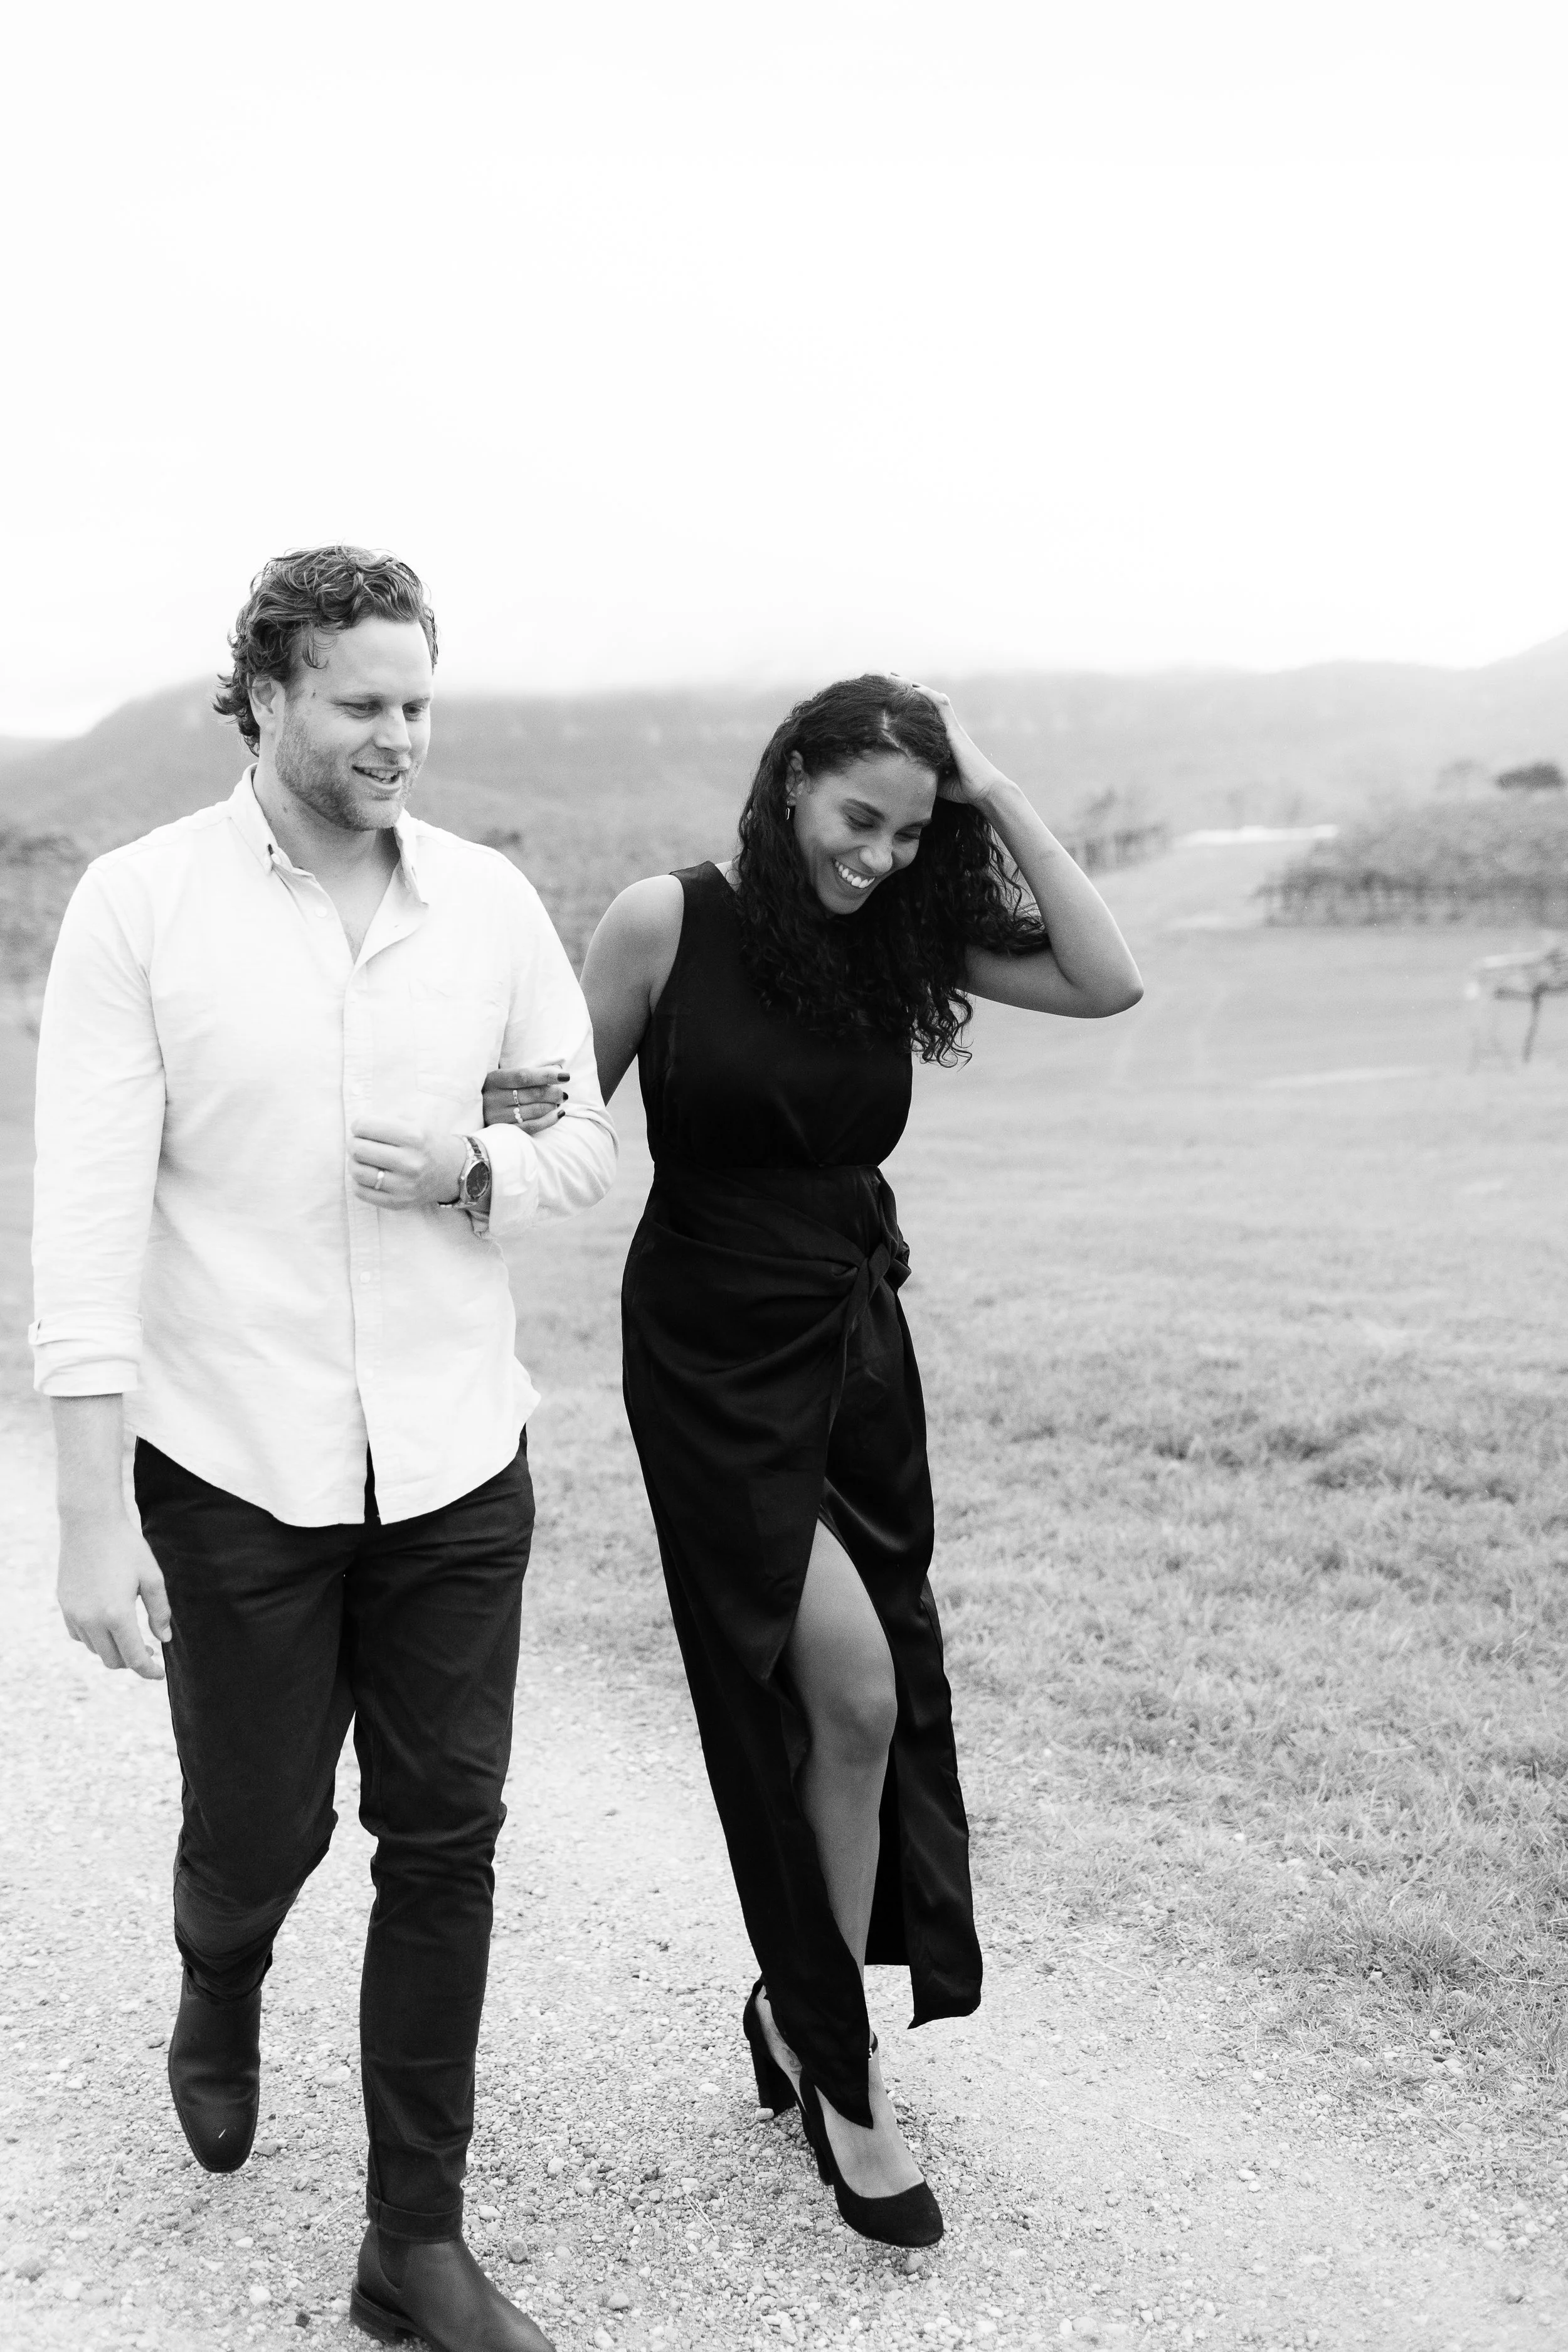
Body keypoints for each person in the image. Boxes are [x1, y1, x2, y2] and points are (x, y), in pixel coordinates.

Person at [30, 546, 616, 2352]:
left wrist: (477, 1170)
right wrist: (86, 1510)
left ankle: (411, 2243)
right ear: (266, 694)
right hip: (238, 1467)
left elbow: (577, 1134)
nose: (399, 737)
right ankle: (220, 1973)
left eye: (418, 703)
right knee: (265, 1827)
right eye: (364, 702)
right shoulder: (140, 907)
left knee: (446, 1834)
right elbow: (85, 1217)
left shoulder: (488, 908)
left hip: (453, 1464)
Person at [483, 676, 1143, 2247]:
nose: (878, 857)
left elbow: (1105, 979)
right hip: (708, 1354)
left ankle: (800, 2014)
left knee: (865, 1702)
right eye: (860, 817)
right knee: (844, 1689)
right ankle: (847, 2088)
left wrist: (982, 788)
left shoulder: (906, 927)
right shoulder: (664, 922)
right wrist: (460, 1156)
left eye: (914, 831)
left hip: (852, 1346)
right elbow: (548, 1117)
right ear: (788, 786)